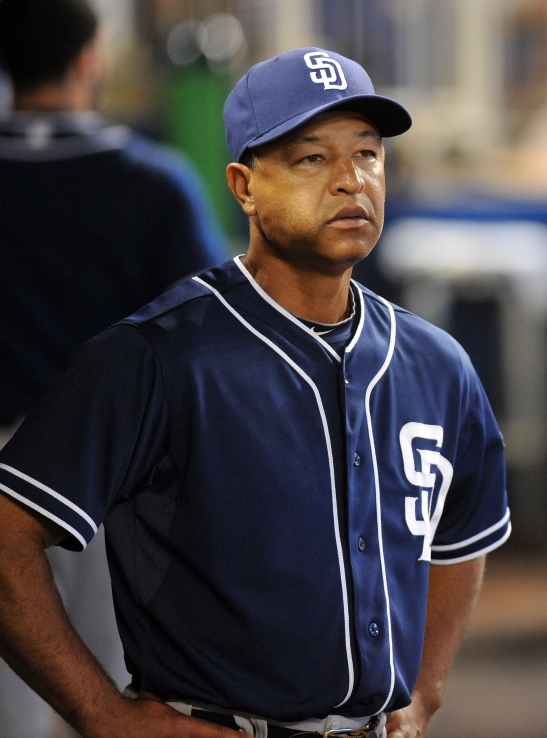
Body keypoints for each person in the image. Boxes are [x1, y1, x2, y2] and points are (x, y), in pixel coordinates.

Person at [0, 45, 510, 738]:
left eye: (367, 154)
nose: (349, 180)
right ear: (244, 186)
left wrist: (425, 689)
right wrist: (101, 714)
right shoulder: (156, 357)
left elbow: (462, 534)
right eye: (310, 158)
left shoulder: (438, 363)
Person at [0, 0, 226, 735]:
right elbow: (213, 331)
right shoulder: (149, 181)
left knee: (12, 700)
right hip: (102, 474)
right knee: (116, 692)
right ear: (90, 59)